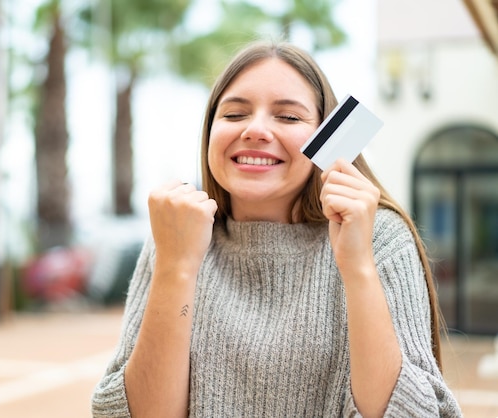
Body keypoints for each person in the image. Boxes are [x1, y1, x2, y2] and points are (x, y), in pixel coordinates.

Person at [91, 40, 462, 417]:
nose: (255, 130)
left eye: (288, 117)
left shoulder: (380, 236)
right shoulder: (175, 235)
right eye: (234, 115)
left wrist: (357, 266)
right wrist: (177, 267)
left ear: (326, 137)